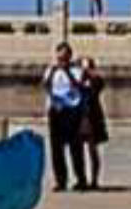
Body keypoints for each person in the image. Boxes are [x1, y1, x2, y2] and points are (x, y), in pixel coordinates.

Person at [44, 44, 90, 194]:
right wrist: (53, 100)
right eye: (59, 57)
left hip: (72, 111)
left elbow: (78, 85)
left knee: (75, 147)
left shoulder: (76, 71)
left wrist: (67, 71)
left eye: (64, 57)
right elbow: (47, 86)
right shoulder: (51, 71)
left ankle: (81, 179)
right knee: (56, 148)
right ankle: (60, 180)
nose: (61, 60)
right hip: (56, 110)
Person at [75, 53, 111, 193]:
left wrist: (90, 74)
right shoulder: (77, 81)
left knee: (92, 150)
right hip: (78, 117)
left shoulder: (95, 81)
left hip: (92, 118)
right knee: (77, 151)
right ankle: (81, 179)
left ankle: (94, 179)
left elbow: (98, 86)